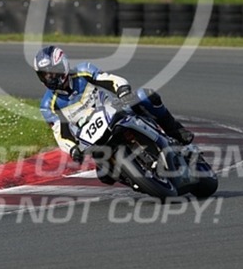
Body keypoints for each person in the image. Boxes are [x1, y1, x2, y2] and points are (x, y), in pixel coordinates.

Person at [33, 45, 194, 181]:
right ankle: (135, 179)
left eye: (52, 73)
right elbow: (60, 134)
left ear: (63, 66)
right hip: (92, 137)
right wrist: (73, 149)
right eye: (44, 75)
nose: (49, 78)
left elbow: (110, 79)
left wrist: (122, 90)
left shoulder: (83, 71)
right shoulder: (48, 105)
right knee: (105, 176)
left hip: (114, 110)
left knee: (146, 96)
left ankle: (176, 131)